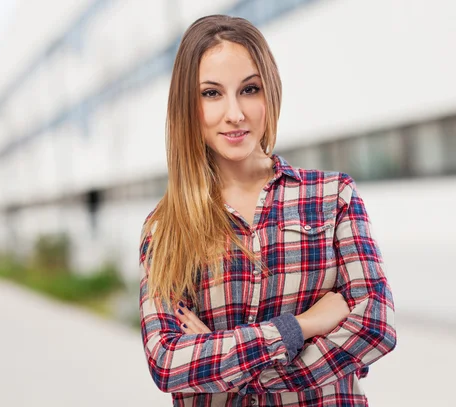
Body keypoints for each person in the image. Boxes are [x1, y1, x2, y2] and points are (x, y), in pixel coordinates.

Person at [138, 14, 397, 407]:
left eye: (250, 89)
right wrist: (300, 328)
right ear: (187, 105)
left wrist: (230, 370)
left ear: (270, 92)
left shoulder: (332, 197)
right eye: (211, 93)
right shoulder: (166, 227)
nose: (235, 113)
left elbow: (376, 324)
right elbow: (168, 362)